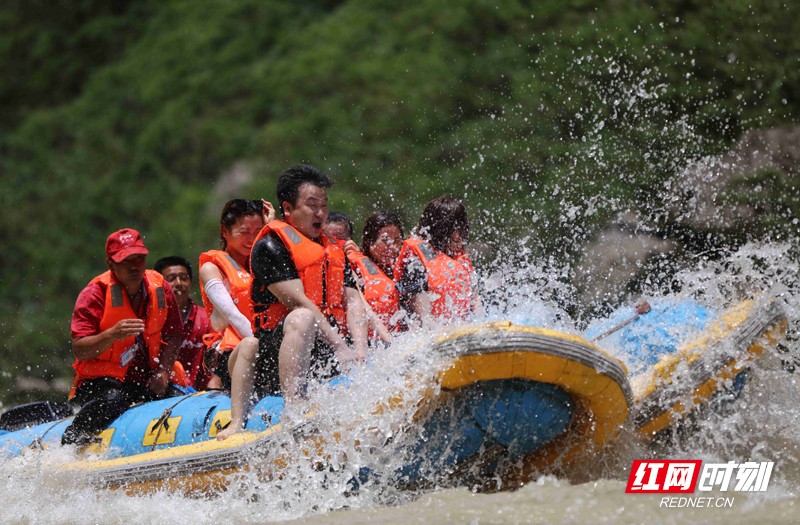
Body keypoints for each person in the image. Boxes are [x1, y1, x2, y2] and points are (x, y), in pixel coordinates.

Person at [218, 164, 368, 439]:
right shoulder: (270, 247)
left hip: (321, 346)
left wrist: (359, 351)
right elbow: (300, 303)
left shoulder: (332, 249)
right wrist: (339, 346)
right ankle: (293, 409)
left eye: (324, 205)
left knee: (345, 336)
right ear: (288, 209)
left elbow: (353, 300)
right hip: (274, 355)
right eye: (312, 205)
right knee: (302, 317)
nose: (321, 213)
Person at [62, 228, 184, 446]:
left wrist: (164, 371)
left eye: (139, 258)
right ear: (111, 265)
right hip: (99, 385)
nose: (134, 266)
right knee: (113, 400)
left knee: (176, 397)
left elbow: (175, 333)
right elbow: (80, 348)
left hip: (143, 380)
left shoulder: (160, 287)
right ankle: (71, 440)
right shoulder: (94, 294)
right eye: (126, 260)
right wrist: (111, 335)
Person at [198, 199, 274, 419]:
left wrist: (272, 228)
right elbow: (233, 316)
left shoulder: (264, 262)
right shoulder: (211, 268)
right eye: (244, 231)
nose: (252, 239)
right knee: (250, 344)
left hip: (267, 344)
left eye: (258, 231)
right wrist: (267, 347)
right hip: (235, 352)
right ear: (225, 231)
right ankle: (236, 421)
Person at [393, 196, 480, 324]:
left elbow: (475, 301)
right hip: (428, 331)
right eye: (455, 229)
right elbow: (423, 315)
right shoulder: (414, 260)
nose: (459, 235)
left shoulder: (460, 260)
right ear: (439, 230)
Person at [326, 211, 395, 340]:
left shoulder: (362, 261)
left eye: (341, 239)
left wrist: (357, 259)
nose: (335, 245)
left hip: (382, 335)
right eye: (330, 239)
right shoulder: (322, 266)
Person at [154, 256, 217, 390]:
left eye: (184, 278)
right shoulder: (153, 321)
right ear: (159, 284)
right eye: (171, 279)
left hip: (202, 395)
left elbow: (218, 359)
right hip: (163, 394)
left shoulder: (207, 319)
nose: (178, 283)